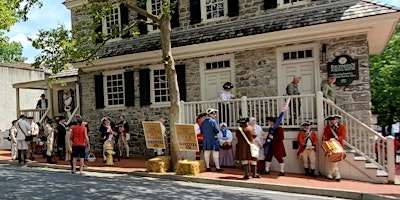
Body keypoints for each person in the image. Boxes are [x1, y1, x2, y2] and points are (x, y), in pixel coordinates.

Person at [322, 115, 346, 181]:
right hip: (330, 145)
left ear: (337, 120)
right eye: (331, 120)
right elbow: (325, 135)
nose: (333, 121)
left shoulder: (342, 127)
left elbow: (343, 136)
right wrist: (325, 139)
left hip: (338, 145)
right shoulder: (327, 127)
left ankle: (330, 173)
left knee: (336, 159)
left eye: (334, 120)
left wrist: (336, 138)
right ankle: (337, 175)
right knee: (334, 159)